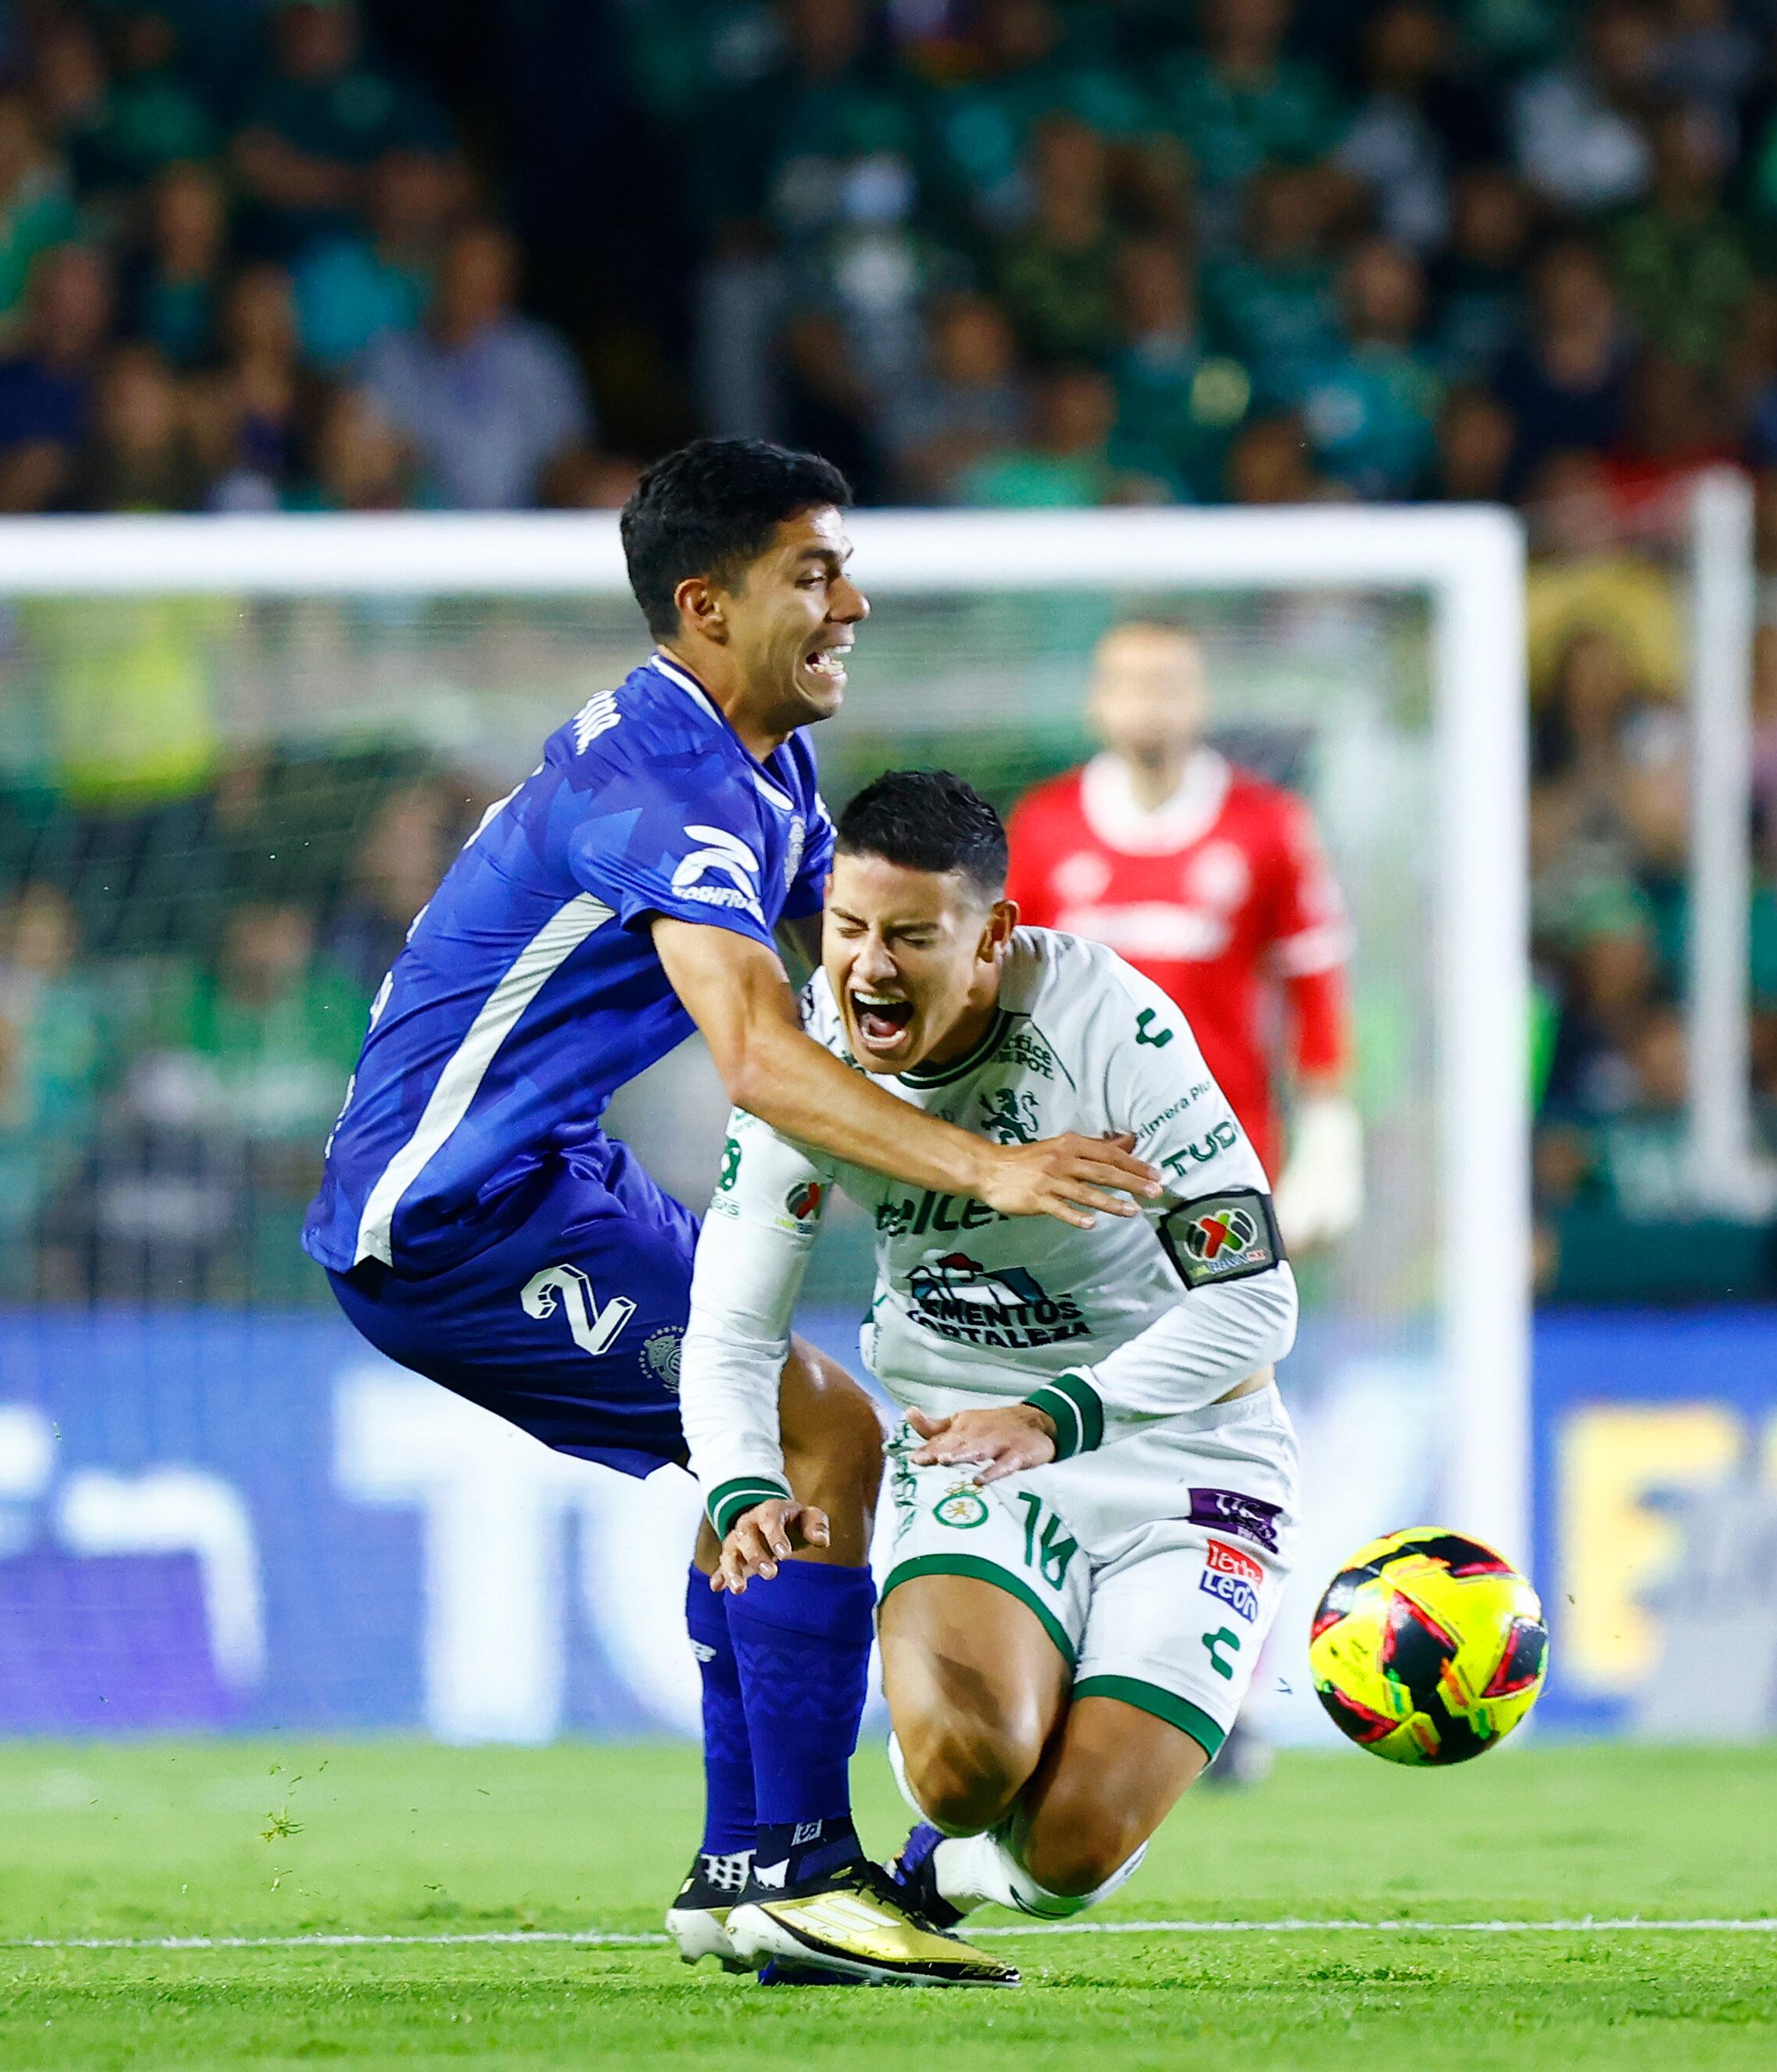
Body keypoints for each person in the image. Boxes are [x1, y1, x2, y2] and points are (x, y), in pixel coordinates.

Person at [302, 439, 1159, 1987]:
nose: (854, 601)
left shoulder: (758, 760)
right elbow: (762, 1056)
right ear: (704, 603)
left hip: (543, 1171)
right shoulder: (656, 780)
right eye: (811, 574)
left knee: (769, 1426)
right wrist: (989, 1171)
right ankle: (791, 1866)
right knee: (816, 1431)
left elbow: (863, 979)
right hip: (448, 1224)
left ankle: (735, 1869)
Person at [686, 769, 1300, 1965]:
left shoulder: (1111, 1026)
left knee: (1071, 1850)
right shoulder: (806, 1059)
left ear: (991, 937)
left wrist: (1062, 1414)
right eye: (848, 929)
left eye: (911, 936)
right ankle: (947, 1816)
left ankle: (941, 1876)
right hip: (970, 1441)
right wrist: (740, 1481)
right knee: (969, 1768)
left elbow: (1258, 1305)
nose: (866, 967)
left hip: (1188, 1454)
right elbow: (731, 1329)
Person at [1008, 620, 1357, 1247]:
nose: (1148, 703)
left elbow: (1315, 983)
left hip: (1224, 1145)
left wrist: (1329, 1136)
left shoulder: (1269, 826)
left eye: (1167, 685)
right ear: (1097, 700)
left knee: (1235, 1332)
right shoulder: (1042, 826)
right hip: (1076, 1149)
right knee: (1088, 1340)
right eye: (1129, 684)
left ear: (1200, 700)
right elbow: (1003, 990)